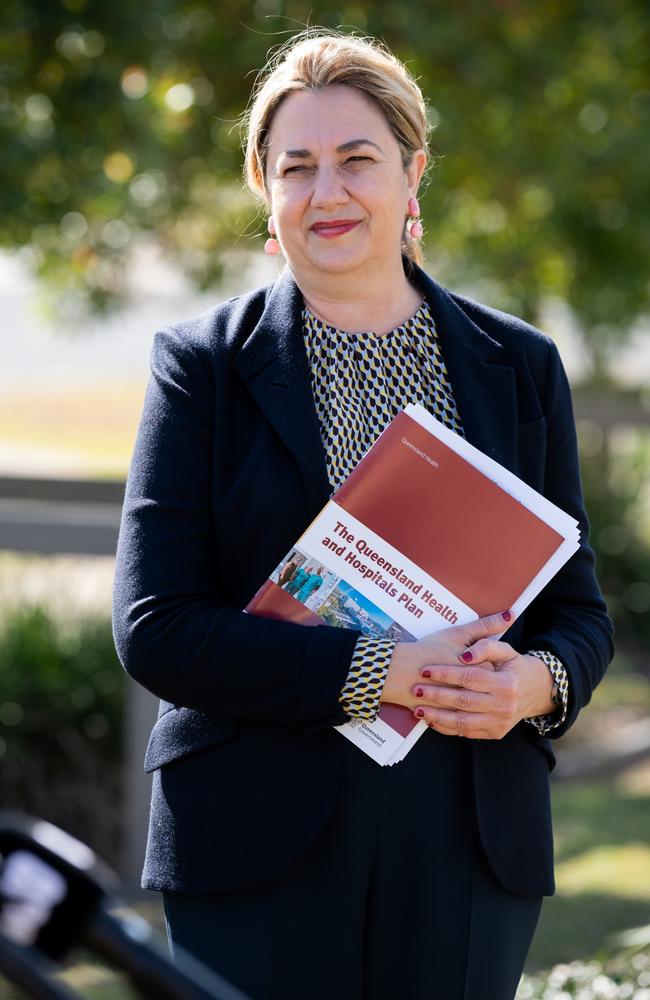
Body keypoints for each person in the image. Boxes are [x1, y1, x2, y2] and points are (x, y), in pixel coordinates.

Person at [112, 30, 613, 1000]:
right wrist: (379, 669)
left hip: (466, 835)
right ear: (264, 188)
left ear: (411, 171)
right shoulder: (200, 367)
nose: (325, 192)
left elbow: (577, 614)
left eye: (355, 159)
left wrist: (536, 684)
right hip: (252, 833)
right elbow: (155, 628)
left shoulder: (519, 366)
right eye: (294, 167)